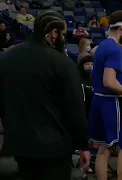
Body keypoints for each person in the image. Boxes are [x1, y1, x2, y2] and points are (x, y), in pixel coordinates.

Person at [0, 10, 90, 180]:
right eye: (63, 34)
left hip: (16, 145)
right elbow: (75, 110)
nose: (64, 39)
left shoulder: (6, 58)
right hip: (53, 150)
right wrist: (82, 144)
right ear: (54, 32)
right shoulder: (63, 63)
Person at [89, 10, 122, 180]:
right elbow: (110, 81)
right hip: (111, 103)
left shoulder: (103, 46)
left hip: (97, 101)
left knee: (103, 149)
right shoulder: (114, 49)